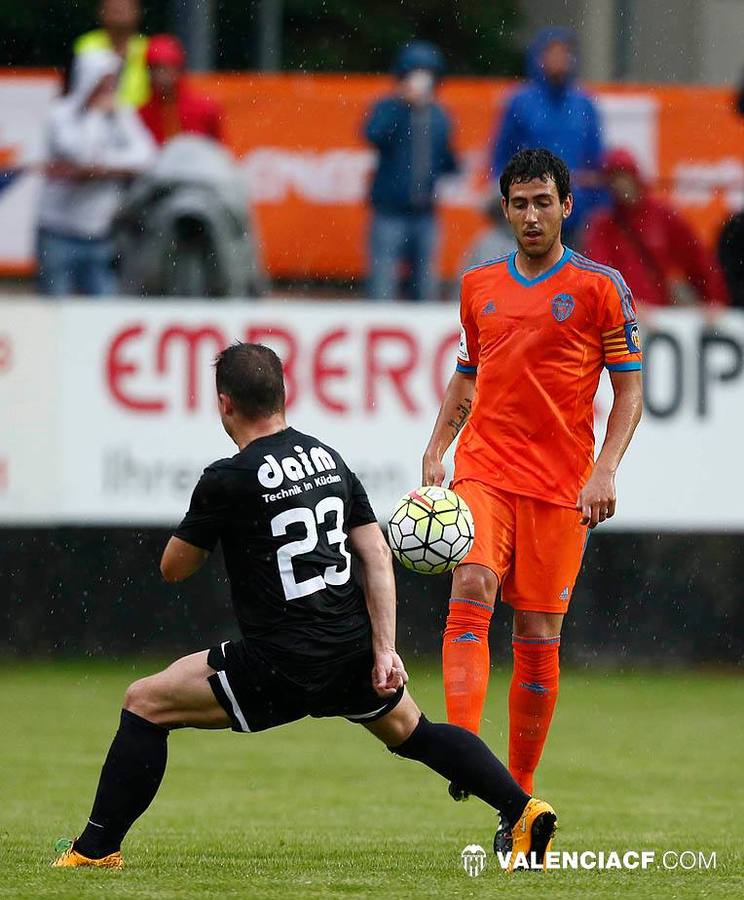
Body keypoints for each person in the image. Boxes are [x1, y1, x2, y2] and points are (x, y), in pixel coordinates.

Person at [52, 342, 557, 871]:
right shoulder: (328, 458)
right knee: (418, 734)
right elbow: (375, 553)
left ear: (225, 404)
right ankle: (522, 810)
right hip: (348, 648)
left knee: (144, 704)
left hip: (279, 661)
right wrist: (384, 649)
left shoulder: (228, 477)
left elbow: (173, 568)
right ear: (282, 395)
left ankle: (94, 850)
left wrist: (211, 524)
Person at [421, 149, 642, 848]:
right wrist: (437, 448)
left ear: (566, 206)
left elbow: (629, 391)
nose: (531, 215)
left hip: (560, 486)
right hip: (484, 469)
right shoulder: (479, 284)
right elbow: (467, 376)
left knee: (538, 637)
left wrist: (605, 471)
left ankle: (511, 800)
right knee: (472, 581)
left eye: (543, 201)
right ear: (506, 208)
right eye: (519, 203)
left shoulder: (601, 288)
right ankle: (462, 742)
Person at [37, 50, 156, 296]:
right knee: (54, 312)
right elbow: (82, 155)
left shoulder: (120, 113)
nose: (110, 85)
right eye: (105, 79)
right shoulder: (61, 114)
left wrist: (102, 167)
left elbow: (147, 157)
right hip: (59, 231)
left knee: (104, 313)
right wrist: (96, 116)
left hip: (101, 234)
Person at [364, 41, 458, 301]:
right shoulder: (388, 107)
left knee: (425, 284)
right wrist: (401, 105)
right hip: (389, 211)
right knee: (383, 284)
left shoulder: (439, 115)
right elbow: (373, 134)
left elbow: (445, 157)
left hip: (425, 212)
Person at [491, 28, 603, 241]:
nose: (559, 60)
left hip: (574, 211)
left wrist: (592, 198)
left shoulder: (584, 105)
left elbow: (596, 161)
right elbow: (501, 156)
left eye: (564, 54)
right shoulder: (521, 102)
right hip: (530, 209)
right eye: (552, 53)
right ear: (539, 58)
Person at [585, 148, 729, 307]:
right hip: (622, 319)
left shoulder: (662, 215)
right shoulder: (602, 225)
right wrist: (622, 305)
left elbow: (698, 259)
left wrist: (715, 300)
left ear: (635, 177)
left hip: (658, 317)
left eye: (624, 176)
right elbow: (598, 275)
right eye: (614, 178)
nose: (620, 185)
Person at [139, 35, 223, 146]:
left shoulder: (205, 109)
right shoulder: (141, 115)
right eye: (154, 68)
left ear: (178, 69)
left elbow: (219, 152)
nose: (160, 76)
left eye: (165, 68)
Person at [74, 0, 149, 107]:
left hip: (138, 118)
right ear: (101, 11)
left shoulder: (148, 48)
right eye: (114, 6)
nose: (120, 9)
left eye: (125, 5)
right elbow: (77, 91)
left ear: (138, 11)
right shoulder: (86, 44)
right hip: (94, 114)